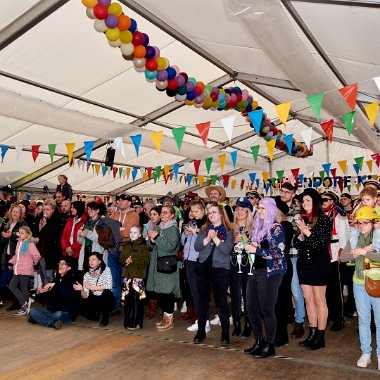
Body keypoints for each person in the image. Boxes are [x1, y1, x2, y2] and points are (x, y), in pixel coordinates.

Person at [244, 198, 286, 358]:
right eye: (258, 208)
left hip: (270, 273)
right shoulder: (258, 228)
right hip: (256, 271)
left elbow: (278, 253)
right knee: (251, 308)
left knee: (267, 310)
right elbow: (257, 247)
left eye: (263, 208)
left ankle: (270, 345)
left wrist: (257, 251)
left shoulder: (276, 229)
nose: (259, 211)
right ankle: (259, 341)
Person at [340, 206, 380, 369]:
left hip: (377, 283)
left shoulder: (378, 236)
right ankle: (366, 353)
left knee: (379, 321)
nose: (361, 225)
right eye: (359, 222)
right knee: (363, 321)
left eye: (365, 222)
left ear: (373, 222)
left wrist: (363, 252)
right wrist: (360, 251)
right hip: (359, 283)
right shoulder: (355, 235)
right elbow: (343, 257)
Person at [294, 188, 332, 350]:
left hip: (319, 264)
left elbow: (320, 244)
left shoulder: (323, 219)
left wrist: (305, 231)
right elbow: (296, 244)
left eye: (308, 200)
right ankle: (312, 333)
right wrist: (300, 235)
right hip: (304, 264)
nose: (305, 203)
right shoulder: (303, 219)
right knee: (308, 300)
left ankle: (320, 336)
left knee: (319, 300)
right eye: (303, 201)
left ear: (315, 203)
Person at [193, 202, 235, 345]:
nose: (211, 215)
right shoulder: (204, 229)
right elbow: (197, 246)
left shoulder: (229, 230)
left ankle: (225, 333)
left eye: (214, 212)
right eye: (209, 212)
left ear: (221, 214)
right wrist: (207, 238)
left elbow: (227, 250)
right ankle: (201, 331)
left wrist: (216, 238)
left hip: (220, 269)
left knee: (221, 301)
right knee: (201, 300)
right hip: (203, 267)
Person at [146, 205, 181, 331]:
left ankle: (169, 318)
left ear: (172, 215)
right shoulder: (157, 227)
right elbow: (150, 247)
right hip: (156, 265)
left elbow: (170, 247)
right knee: (159, 292)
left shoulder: (173, 229)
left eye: (166, 212)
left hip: (167, 266)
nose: (163, 214)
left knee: (167, 293)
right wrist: (150, 240)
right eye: (162, 212)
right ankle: (166, 316)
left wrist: (156, 238)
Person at [280, 181, 305, 339]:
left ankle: (299, 321)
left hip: (293, 254)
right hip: (279, 255)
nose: (284, 194)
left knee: (296, 290)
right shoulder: (276, 209)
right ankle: (288, 314)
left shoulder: (297, 212)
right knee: (283, 289)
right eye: (282, 191)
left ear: (293, 194)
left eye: (287, 192)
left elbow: (296, 233)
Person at [321, 190, 350, 332]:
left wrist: (341, 253)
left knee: (335, 290)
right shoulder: (320, 214)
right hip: (322, 256)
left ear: (332, 201)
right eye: (321, 200)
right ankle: (329, 314)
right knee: (324, 289)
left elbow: (345, 236)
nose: (323, 202)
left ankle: (339, 318)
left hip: (333, 255)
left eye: (325, 200)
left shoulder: (339, 214)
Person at [181, 199, 209, 333]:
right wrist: (185, 234)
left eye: (196, 211)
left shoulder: (206, 223)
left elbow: (205, 242)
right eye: (192, 211)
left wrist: (195, 231)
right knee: (194, 292)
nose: (193, 213)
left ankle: (203, 321)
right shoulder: (192, 222)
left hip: (199, 260)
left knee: (200, 293)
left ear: (203, 210)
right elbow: (183, 243)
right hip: (188, 259)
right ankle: (201, 320)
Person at [29, 257, 79, 329]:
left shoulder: (72, 280)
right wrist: (39, 292)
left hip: (66, 311)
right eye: (59, 264)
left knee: (58, 315)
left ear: (69, 268)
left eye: (63, 264)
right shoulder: (56, 280)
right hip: (52, 310)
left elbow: (71, 294)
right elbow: (46, 300)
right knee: (33, 310)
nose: (60, 265)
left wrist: (55, 285)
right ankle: (51, 323)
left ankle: (40, 319)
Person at [230, 197, 253, 339]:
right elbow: (225, 247)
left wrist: (247, 239)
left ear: (248, 211)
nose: (239, 211)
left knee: (248, 294)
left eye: (242, 209)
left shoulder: (254, 227)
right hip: (233, 263)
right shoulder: (230, 227)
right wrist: (233, 241)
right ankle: (237, 323)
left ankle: (249, 324)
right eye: (237, 209)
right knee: (235, 294)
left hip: (248, 263)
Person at [119, 226, 150, 330]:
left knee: (136, 301)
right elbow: (121, 259)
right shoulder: (126, 245)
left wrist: (133, 261)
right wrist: (124, 261)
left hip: (137, 278)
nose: (132, 234)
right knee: (128, 301)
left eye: (135, 232)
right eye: (131, 232)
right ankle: (128, 322)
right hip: (127, 277)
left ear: (140, 234)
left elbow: (145, 262)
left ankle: (136, 323)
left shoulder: (143, 247)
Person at [73, 252, 115, 327]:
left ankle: (105, 317)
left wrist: (92, 287)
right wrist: (82, 290)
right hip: (95, 298)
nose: (91, 262)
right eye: (89, 260)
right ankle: (95, 314)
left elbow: (109, 285)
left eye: (93, 259)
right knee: (78, 305)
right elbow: (85, 296)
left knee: (106, 292)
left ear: (99, 261)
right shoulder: (86, 275)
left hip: (106, 298)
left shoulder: (106, 270)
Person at [274, 196, 294, 347]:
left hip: (282, 265)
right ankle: (277, 332)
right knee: (275, 302)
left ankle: (282, 334)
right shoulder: (275, 224)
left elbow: (279, 247)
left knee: (280, 301)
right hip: (276, 265)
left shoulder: (285, 225)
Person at [8, 226, 41, 315]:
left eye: (22, 233)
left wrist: (33, 263)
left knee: (23, 288)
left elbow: (37, 255)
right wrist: (11, 263)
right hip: (17, 269)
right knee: (12, 286)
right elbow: (17, 256)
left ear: (27, 234)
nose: (20, 234)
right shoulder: (19, 243)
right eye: (19, 233)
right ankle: (25, 303)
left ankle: (25, 306)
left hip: (25, 269)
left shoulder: (29, 244)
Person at [1, 204, 27, 311]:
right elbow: (3, 240)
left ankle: (19, 303)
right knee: (10, 280)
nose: (15, 213)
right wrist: (4, 236)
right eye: (13, 211)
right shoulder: (8, 224)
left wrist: (10, 236)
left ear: (20, 214)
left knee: (16, 281)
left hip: (18, 256)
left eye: (17, 212)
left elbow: (23, 237)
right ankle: (15, 302)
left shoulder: (22, 224)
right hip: (7, 255)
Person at [37, 199, 64, 285]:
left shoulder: (56, 221)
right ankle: (46, 295)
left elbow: (54, 237)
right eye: (44, 209)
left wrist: (44, 227)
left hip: (51, 255)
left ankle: (51, 294)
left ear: (53, 209)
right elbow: (39, 237)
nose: (45, 212)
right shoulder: (42, 220)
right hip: (42, 253)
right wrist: (40, 229)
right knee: (43, 275)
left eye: (48, 209)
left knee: (50, 276)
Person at [143, 205, 162, 320]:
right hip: (148, 256)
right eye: (151, 214)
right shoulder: (147, 225)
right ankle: (152, 307)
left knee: (158, 283)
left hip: (158, 257)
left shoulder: (162, 227)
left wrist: (153, 238)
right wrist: (146, 237)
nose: (152, 216)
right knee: (149, 283)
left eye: (155, 214)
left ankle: (161, 308)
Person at [61, 201, 87, 272]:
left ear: (79, 208)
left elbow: (83, 239)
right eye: (71, 207)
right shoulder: (70, 220)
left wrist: (72, 248)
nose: (71, 209)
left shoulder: (84, 221)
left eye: (73, 208)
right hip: (67, 253)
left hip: (78, 253)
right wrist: (66, 248)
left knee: (76, 274)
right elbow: (64, 236)